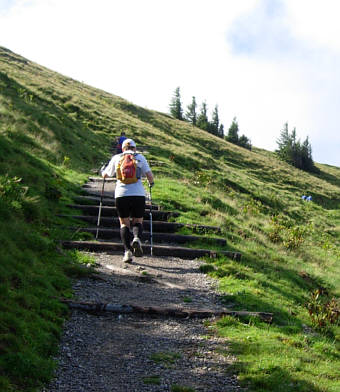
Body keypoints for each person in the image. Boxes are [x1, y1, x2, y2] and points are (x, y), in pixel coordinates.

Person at [101, 138, 154, 263]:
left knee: (124, 223)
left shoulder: (116, 158)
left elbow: (106, 175)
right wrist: (151, 183)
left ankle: (127, 252)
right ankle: (136, 238)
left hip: (121, 194)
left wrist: (102, 171)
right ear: (134, 148)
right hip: (138, 194)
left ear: (123, 148)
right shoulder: (140, 158)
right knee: (138, 221)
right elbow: (150, 176)